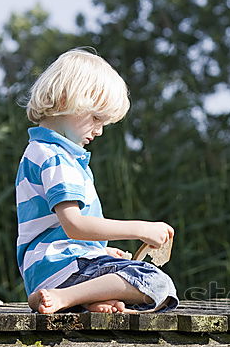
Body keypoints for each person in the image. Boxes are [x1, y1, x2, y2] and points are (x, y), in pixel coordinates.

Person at [16, 48, 179, 315]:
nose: (99, 130)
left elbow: (60, 230)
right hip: (63, 268)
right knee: (156, 282)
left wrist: (99, 253)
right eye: (95, 118)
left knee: (137, 284)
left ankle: (87, 301)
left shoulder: (38, 151)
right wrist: (140, 229)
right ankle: (66, 297)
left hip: (49, 271)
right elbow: (75, 225)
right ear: (66, 99)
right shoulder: (57, 157)